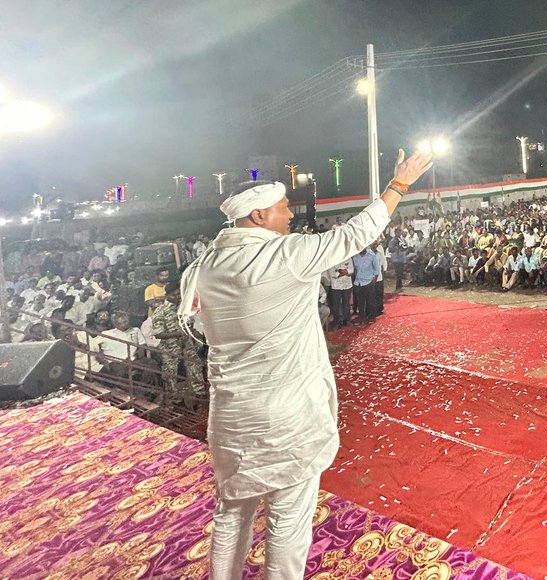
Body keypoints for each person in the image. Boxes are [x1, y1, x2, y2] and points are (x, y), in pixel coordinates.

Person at [179, 149, 431, 580]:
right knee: (288, 520)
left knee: (231, 513)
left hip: (233, 417)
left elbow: (205, 330)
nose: (290, 217)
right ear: (257, 217)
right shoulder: (284, 256)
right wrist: (399, 185)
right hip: (287, 416)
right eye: (282, 210)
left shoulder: (203, 268)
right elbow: (357, 233)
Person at [151, 285, 204, 404]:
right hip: (170, 347)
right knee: (170, 373)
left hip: (187, 345)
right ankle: (173, 399)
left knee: (195, 366)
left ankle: (199, 393)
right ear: (167, 295)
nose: (177, 297)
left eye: (178, 294)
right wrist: (178, 334)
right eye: (174, 294)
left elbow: (190, 324)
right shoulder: (160, 311)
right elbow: (158, 334)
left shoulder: (183, 308)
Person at [351, 244, 384, 320]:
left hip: (369, 281)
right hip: (358, 282)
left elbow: (376, 270)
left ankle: (371, 316)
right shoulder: (354, 257)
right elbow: (354, 269)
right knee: (360, 301)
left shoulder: (371, 256)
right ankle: (361, 316)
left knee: (370, 301)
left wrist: (374, 280)